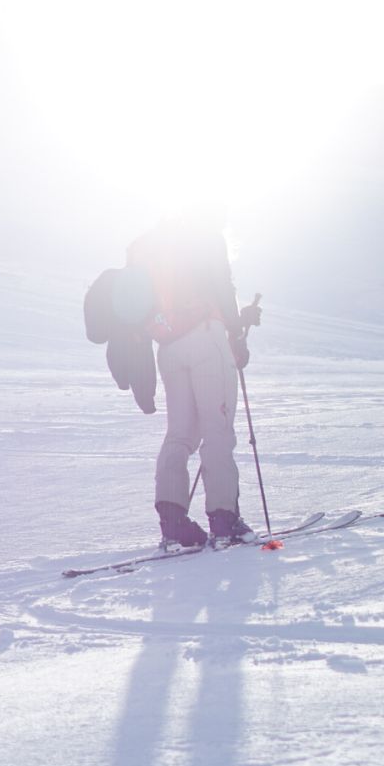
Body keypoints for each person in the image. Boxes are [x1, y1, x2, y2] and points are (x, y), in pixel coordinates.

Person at [126, 214, 262, 547]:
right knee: (217, 428)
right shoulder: (205, 236)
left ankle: (174, 526)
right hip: (205, 337)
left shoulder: (151, 244)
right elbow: (221, 286)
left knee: (180, 433)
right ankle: (224, 521)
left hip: (168, 346)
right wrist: (236, 332)